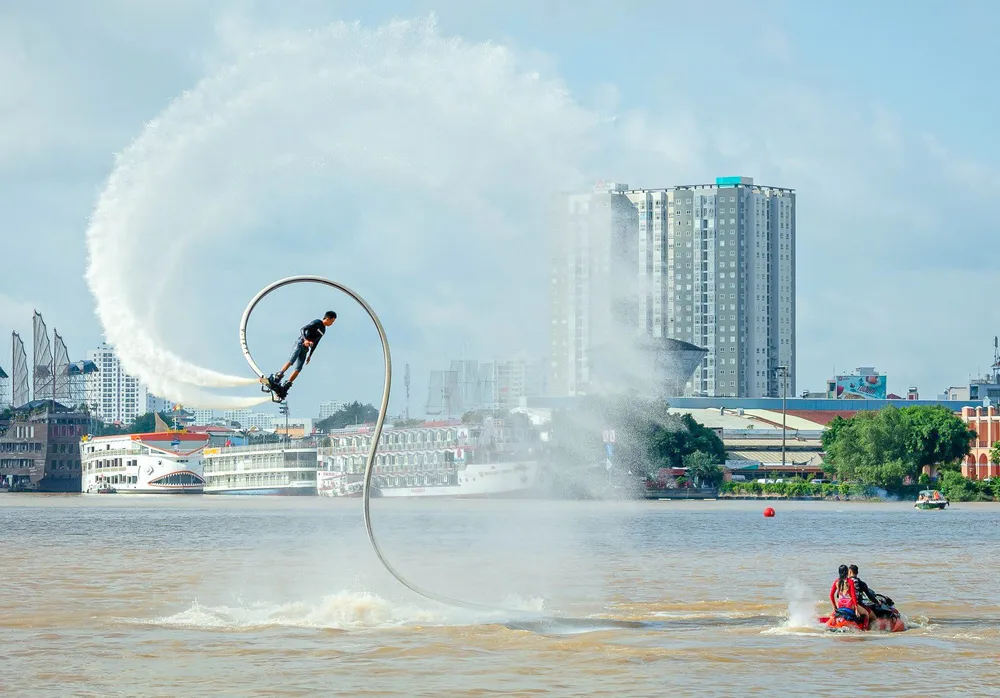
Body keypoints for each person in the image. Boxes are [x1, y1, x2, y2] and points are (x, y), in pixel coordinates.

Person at [268, 311, 337, 397]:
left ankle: (286, 386)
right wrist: (305, 340)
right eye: (332, 321)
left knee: (298, 368)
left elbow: (316, 343)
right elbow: (303, 329)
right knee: (291, 361)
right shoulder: (317, 322)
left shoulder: (323, 330)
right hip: (301, 343)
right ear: (327, 318)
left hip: (306, 348)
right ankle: (278, 376)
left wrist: (310, 355)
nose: (332, 323)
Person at [829, 564, 869, 629]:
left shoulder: (836, 582)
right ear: (847, 572)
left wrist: (834, 606)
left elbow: (831, 595)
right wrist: (856, 609)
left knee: (832, 615)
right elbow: (853, 596)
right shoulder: (850, 581)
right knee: (866, 613)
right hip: (849, 605)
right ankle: (865, 629)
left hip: (840, 604)